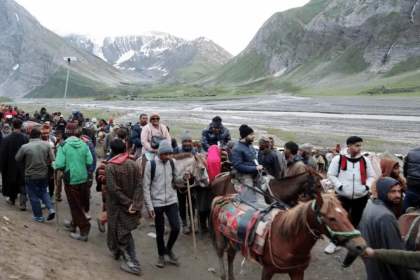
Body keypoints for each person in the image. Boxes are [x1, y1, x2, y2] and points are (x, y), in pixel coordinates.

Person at [358, 177, 418, 280]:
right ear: (382, 192)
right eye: (393, 192)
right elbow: (395, 250)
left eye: (399, 191)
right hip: (384, 271)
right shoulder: (385, 216)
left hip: (373, 266)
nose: (398, 195)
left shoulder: (371, 205)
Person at [143, 140, 189, 268]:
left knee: (176, 228)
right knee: (160, 231)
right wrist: (149, 206)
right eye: (166, 154)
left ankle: (168, 248)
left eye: (170, 154)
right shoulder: (150, 165)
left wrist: (184, 178)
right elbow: (145, 187)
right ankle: (161, 255)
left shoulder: (172, 163)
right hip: (156, 203)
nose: (168, 156)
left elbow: (175, 180)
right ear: (160, 153)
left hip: (171, 200)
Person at [326, 136, 376, 254]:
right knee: (338, 220)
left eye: (361, 145)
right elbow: (331, 174)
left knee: (357, 220)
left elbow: (372, 176)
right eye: (357, 145)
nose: (360, 148)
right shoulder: (338, 159)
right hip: (343, 195)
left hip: (361, 196)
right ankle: (334, 242)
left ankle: (353, 243)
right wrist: (340, 186)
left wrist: (366, 187)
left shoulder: (365, 160)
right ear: (349, 146)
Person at [105, 139, 143, 275]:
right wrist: (135, 203)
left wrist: (127, 203)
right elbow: (140, 185)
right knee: (121, 230)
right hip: (132, 206)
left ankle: (134, 264)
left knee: (122, 233)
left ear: (113, 150)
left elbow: (113, 190)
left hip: (117, 207)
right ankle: (116, 252)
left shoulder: (110, 167)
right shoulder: (133, 165)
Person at [54, 123, 93, 242]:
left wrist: (54, 165)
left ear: (66, 131)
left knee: (74, 204)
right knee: (79, 202)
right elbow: (90, 161)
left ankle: (84, 229)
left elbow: (59, 164)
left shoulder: (63, 145)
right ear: (76, 132)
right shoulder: (84, 143)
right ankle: (73, 224)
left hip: (71, 178)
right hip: (83, 177)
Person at [15, 128, 56, 222]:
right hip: (44, 174)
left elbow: (17, 158)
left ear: (30, 135)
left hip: (30, 174)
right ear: (39, 135)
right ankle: (50, 209)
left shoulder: (25, 147)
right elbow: (52, 158)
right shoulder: (46, 145)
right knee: (44, 191)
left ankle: (39, 216)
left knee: (33, 195)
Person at [231, 125, 266, 208]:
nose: (253, 136)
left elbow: (254, 159)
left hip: (255, 172)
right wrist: (255, 168)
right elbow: (238, 166)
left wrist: (258, 166)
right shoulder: (237, 148)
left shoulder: (250, 146)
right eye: (251, 134)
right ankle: (244, 207)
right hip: (244, 175)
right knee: (248, 192)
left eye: (253, 133)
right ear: (244, 136)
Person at [173, 131, 198, 234]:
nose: (187, 143)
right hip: (181, 181)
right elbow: (173, 164)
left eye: (189, 141)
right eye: (185, 141)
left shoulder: (195, 150)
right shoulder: (177, 150)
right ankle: (184, 224)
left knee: (192, 202)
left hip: (192, 181)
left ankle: (192, 222)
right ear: (182, 142)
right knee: (182, 203)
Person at [0, 119, 29, 210]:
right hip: (23, 164)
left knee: (11, 181)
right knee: (22, 182)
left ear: (12, 126)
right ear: (21, 126)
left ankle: (12, 199)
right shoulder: (25, 138)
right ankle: (23, 203)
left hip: (10, 164)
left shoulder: (6, 139)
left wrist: (2, 166)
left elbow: (2, 153)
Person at [402, 146, 420, 213]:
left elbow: (405, 171)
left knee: (405, 212)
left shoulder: (411, 152)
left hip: (411, 188)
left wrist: (409, 180)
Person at [41, 124, 56, 199]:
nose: (46, 135)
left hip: (50, 164)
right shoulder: (39, 141)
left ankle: (50, 194)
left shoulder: (53, 139)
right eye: (44, 133)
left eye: (47, 133)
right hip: (41, 164)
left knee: (51, 180)